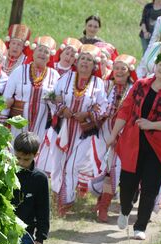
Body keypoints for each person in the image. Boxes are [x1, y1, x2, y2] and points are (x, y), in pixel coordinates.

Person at [106, 49, 161, 240]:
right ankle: (125, 210)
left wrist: (151, 125)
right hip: (133, 141)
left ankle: (140, 226)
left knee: (150, 187)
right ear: (155, 65)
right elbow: (125, 110)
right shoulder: (140, 85)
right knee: (127, 183)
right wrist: (113, 135)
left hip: (159, 147)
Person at [51, 44, 107, 215]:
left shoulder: (98, 83)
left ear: (94, 65)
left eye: (89, 60)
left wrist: (88, 114)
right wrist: (62, 109)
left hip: (84, 132)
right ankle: (57, 195)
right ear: (77, 61)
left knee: (73, 165)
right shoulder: (67, 77)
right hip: (64, 128)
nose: (85, 62)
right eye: (83, 58)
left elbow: (103, 106)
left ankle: (66, 201)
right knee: (58, 163)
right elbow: (51, 95)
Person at [89, 54, 137, 222]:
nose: (118, 71)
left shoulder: (134, 88)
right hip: (103, 131)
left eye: (122, 68)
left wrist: (119, 134)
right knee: (100, 166)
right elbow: (97, 103)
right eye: (116, 68)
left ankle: (104, 206)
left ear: (129, 71)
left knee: (113, 169)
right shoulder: (106, 85)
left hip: (123, 133)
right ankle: (100, 200)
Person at [2, 36, 60, 172]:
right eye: (40, 50)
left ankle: (32, 178)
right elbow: (7, 97)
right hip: (19, 119)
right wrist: (3, 121)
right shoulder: (19, 71)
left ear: (50, 56)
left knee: (36, 148)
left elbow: (57, 103)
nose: (42, 54)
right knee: (16, 148)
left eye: (46, 52)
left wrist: (52, 102)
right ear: (33, 52)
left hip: (42, 120)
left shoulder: (54, 75)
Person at [10, 131, 50, 244]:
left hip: (24, 235)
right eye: (17, 158)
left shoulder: (39, 179)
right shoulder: (7, 172)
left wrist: (40, 236)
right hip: (3, 231)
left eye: (25, 160)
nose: (20, 163)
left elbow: (43, 209)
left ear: (35, 156)